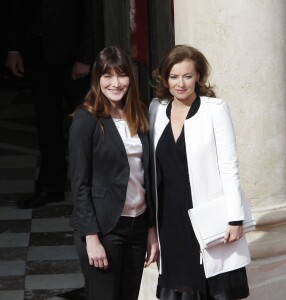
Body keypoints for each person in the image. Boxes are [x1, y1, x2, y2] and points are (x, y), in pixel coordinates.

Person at [149, 44, 251, 300]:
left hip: (207, 212)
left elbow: (229, 166)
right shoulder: (156, 110)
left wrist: (235, 218)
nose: (180, 83)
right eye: (173, 76)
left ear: (198, 77)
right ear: (165, 78)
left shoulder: (215, 109)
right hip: (169, 216)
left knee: (212, 288)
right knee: (179, 287)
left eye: (187, 76)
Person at [69, 46, 159, 300]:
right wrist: (91, 238)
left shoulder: (139, 113)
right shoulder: (86, 119)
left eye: (121, 75)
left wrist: (151, 229)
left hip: (138, 225)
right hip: (104, 228)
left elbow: (147, 175)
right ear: (97, 79)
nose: (116, 83)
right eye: (107, 76)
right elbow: (79, 184)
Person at [5, 0, 95, 208]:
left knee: (85, 125)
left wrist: (84, 57)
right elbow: (15, 9)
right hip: (37, 55)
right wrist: (13, 49)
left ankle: (94, 189)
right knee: (47, 123)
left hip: (72, 57)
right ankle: (50, 186)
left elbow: (89, 13)